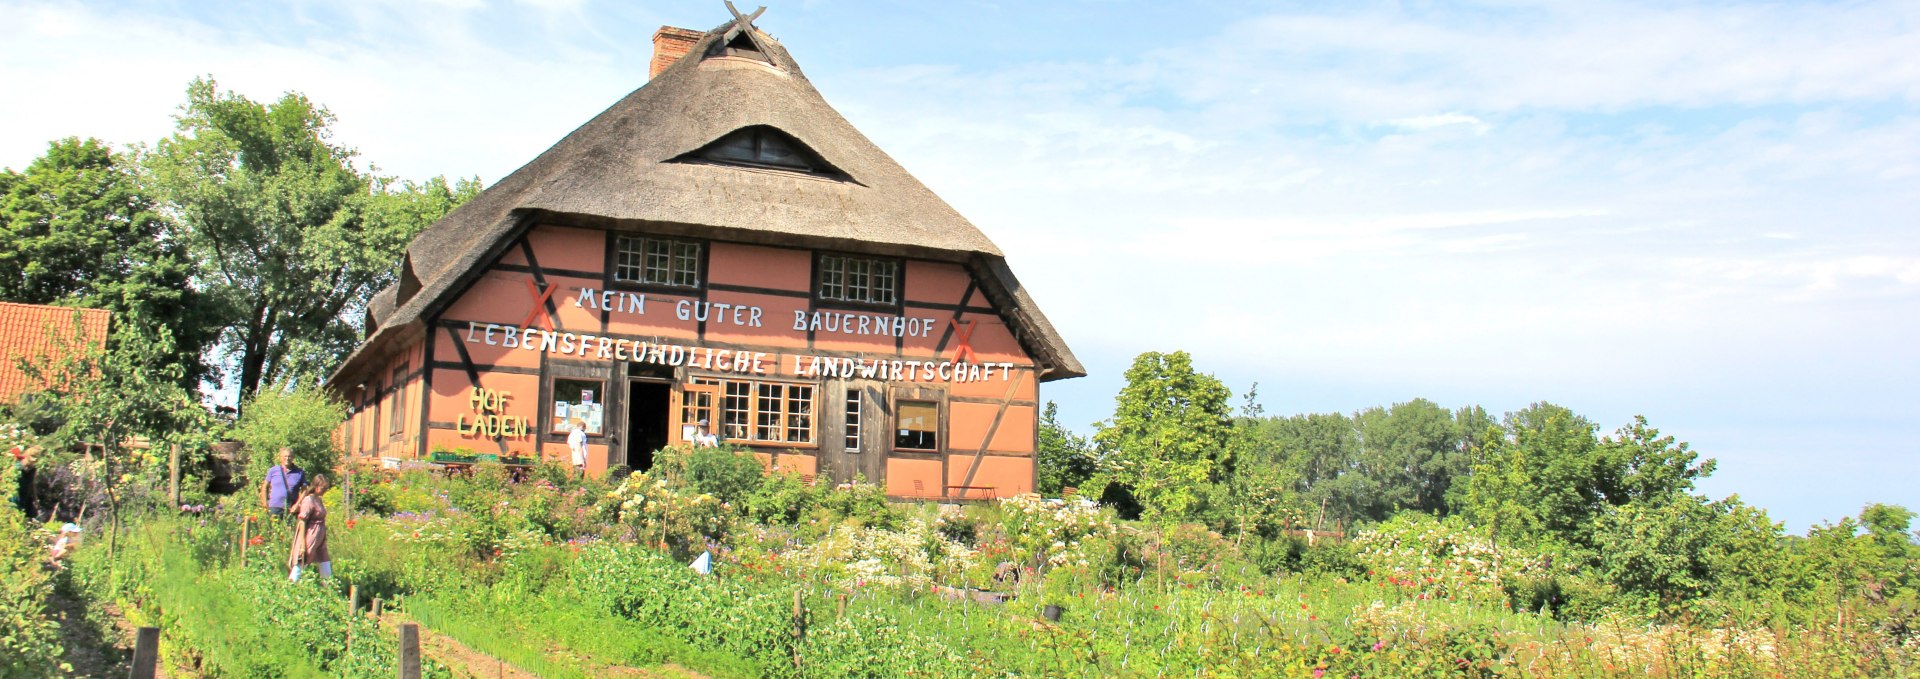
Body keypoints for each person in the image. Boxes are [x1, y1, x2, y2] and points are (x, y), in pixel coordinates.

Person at [288, 475, 332, 582]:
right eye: (322, 488)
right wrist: (303, 544)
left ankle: (329, 587)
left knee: (324, 561)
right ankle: (291, 584)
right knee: (303, 560)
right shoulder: (309, 500)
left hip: (319, 537)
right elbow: (302, 521)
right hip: (310, 535)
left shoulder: (318, 500)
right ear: (316, 486)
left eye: (326, 488)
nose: (324, 491)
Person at [260, 447, 306, 518]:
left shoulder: (299, 472)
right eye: (285, 456)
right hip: (274, 507)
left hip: (291, 508)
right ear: (280, 458)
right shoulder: (273, 470)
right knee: (274, 528)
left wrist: (298, 504)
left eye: (289, 456)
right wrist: (264, 502)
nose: (287, 458)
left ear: (293, 457)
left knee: (290, 528)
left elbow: (304, 490)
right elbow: (265, 486)